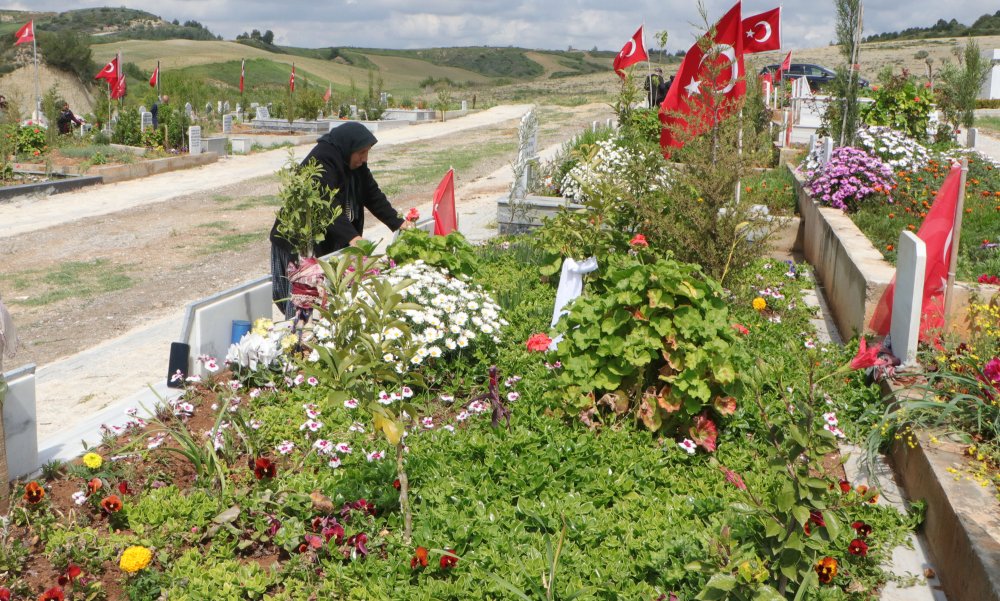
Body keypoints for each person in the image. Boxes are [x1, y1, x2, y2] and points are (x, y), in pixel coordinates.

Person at [269, 122, 414, 315]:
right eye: (362, 152)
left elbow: (372, 194)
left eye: (367, 152)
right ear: (349, 146)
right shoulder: (323, 159)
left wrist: (399, 223)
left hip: (326, 240)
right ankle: (298, 338)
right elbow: (327, 205)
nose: (365, 158)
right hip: (299, 242)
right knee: (303, 301)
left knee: (328, 299)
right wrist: (354, 239)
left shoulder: (353, 162)